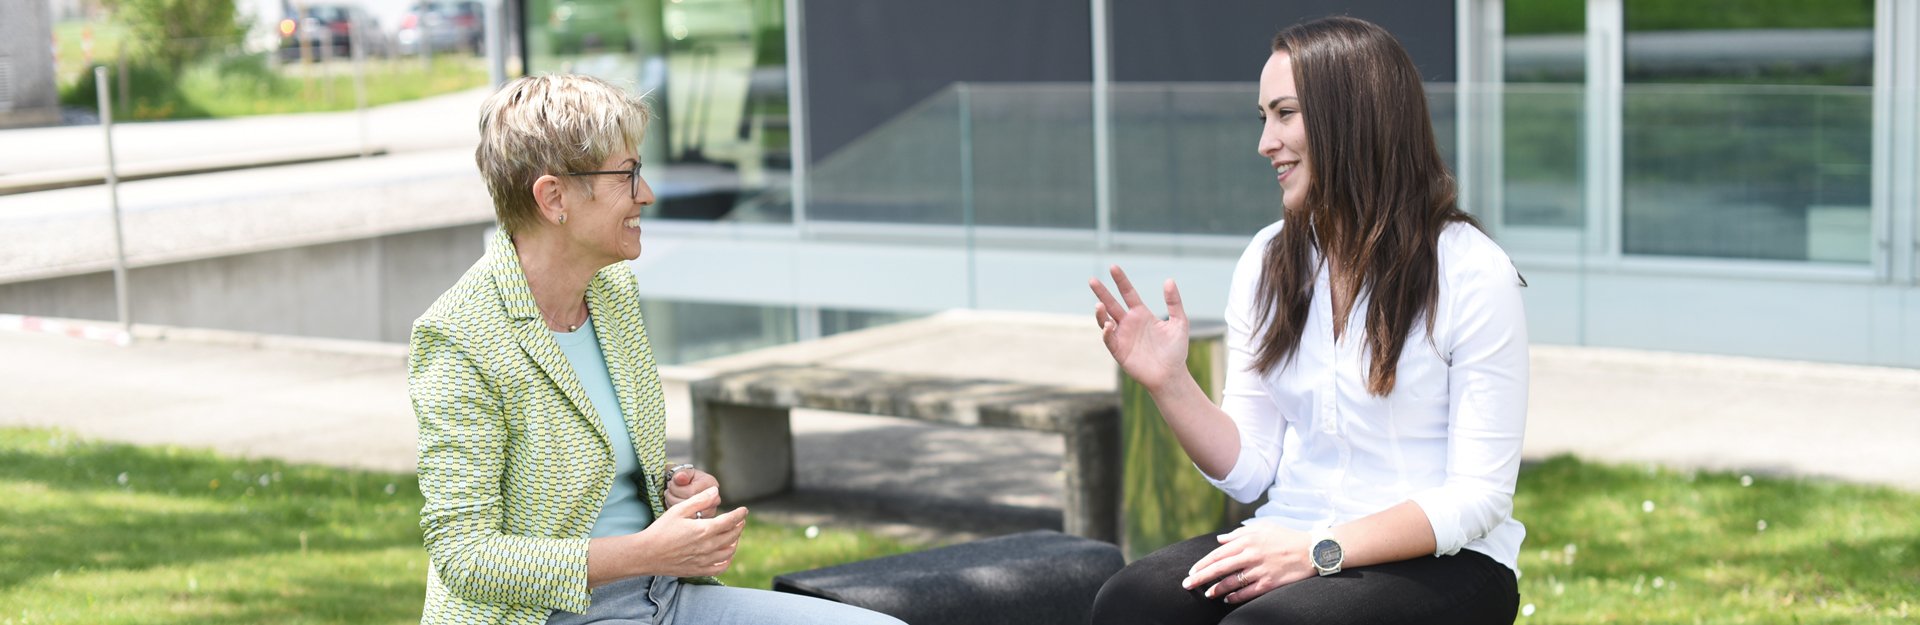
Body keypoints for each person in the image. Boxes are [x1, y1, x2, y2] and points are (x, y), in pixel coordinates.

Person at [408, 74, 904, 625]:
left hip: (660, 598)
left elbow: (596, 464)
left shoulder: (613, 292)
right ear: (554, 198)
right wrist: (648, 550)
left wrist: (673, 489)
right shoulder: (460, 334)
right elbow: (465, 557)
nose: (646, 193)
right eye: (627, 175)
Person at [1086, 16, 1528, 625]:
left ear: (1354, 118)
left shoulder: (1473, 271)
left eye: (1285, 114)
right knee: (1132, 603)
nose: (1265, 142)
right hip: (1292, 531)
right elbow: (1249, 471)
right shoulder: (1269, 260)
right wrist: (1170, 383)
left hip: (1445, 559)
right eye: (1262, 117)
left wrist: (1320, 553)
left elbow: (1480, 497)